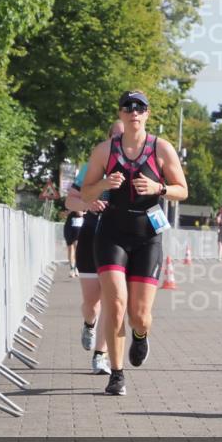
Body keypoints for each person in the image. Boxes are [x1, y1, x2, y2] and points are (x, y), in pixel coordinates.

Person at [79, 91, 188, 396]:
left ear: (147, 114)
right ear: (121, 114)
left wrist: (160, 187)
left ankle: (140, 335)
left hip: (147, 236)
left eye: (140, 107)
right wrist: (103, 184)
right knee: (115, 304)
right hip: (112, 233)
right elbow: (85, 194)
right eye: (128, 107)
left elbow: (183, 190)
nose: (134, 112)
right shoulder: (104, 151)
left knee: (139, 314)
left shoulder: (161, 149)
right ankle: (116, 374)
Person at [66, 120, 124, 375]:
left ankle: (100, 356)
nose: (122, 142)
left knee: (113, 302)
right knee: (92, 302)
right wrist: (88, 205)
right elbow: (70, 200)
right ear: (108, 139)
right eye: (117, 137)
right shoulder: (92, 167)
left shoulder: (139, 167)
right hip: (91, 234)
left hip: (118, 238)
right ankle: (89, 323)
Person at [62, 209, 84, 278]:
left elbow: (80, 213)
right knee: (70, 249)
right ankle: (71, 269)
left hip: (78, 227)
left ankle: (76, 268)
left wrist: (73, 210)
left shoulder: (82, 202)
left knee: (76, 248)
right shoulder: (68, 202)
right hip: (69, 227)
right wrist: (67, 212)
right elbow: (62, 214)